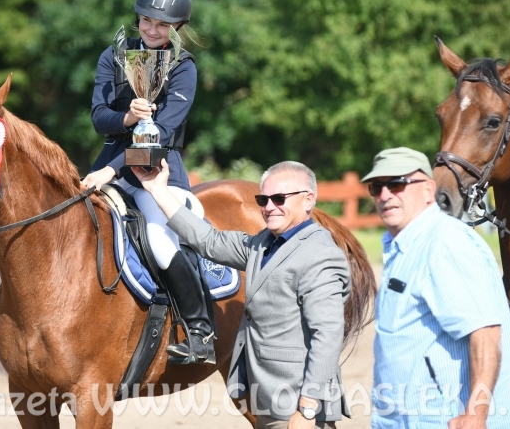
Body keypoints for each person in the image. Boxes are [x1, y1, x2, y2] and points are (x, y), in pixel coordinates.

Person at [132, 160, 350, 428]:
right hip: (264, 400)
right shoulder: (261, 244)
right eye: (263, 199)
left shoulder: (321, 256)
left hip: (297, 406)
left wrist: (307, 409)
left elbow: (327, 336)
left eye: (279, 198)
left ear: (308, 201)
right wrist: (158, 190)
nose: (269, 207)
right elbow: (208, 241)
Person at [81, 0, 216, 364]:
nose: (153, 31)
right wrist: (126, 117)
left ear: (178, 28)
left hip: (157, 174)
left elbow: (163, 135)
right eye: (146, 21)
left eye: (163, 25)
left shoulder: (183, 68)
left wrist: (113, 172)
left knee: (158, 239)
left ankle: (199, 330)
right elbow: (98, 118)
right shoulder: (114, 56)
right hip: (107, 164)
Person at [362, 147, 510, 428]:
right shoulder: (403, 244)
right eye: (376, 187)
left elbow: (486, 333)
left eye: (397, 184)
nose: (384, 195)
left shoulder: (444, 244)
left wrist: (476, 413)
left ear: (428, 189)